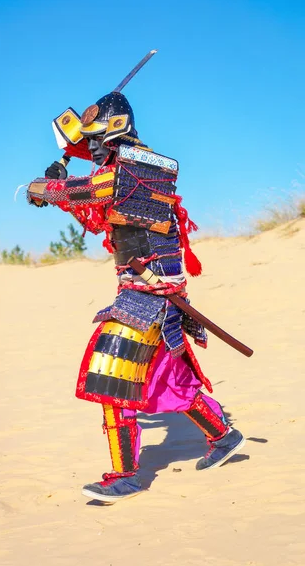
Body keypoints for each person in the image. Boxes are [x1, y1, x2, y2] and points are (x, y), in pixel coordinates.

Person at [28, 90, 246, 503]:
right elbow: (87, 188)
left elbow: (83, 192)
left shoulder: (133, 169)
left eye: (96, 140)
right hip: (153, 289)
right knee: (167, 377)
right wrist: (62, 161)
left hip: (150, 293)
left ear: (115, 132)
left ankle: (126, 476)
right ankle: (224, 435)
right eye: (87, 140)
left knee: (110, 374)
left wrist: (44, 185)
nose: (91, 147)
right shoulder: (134, 163)